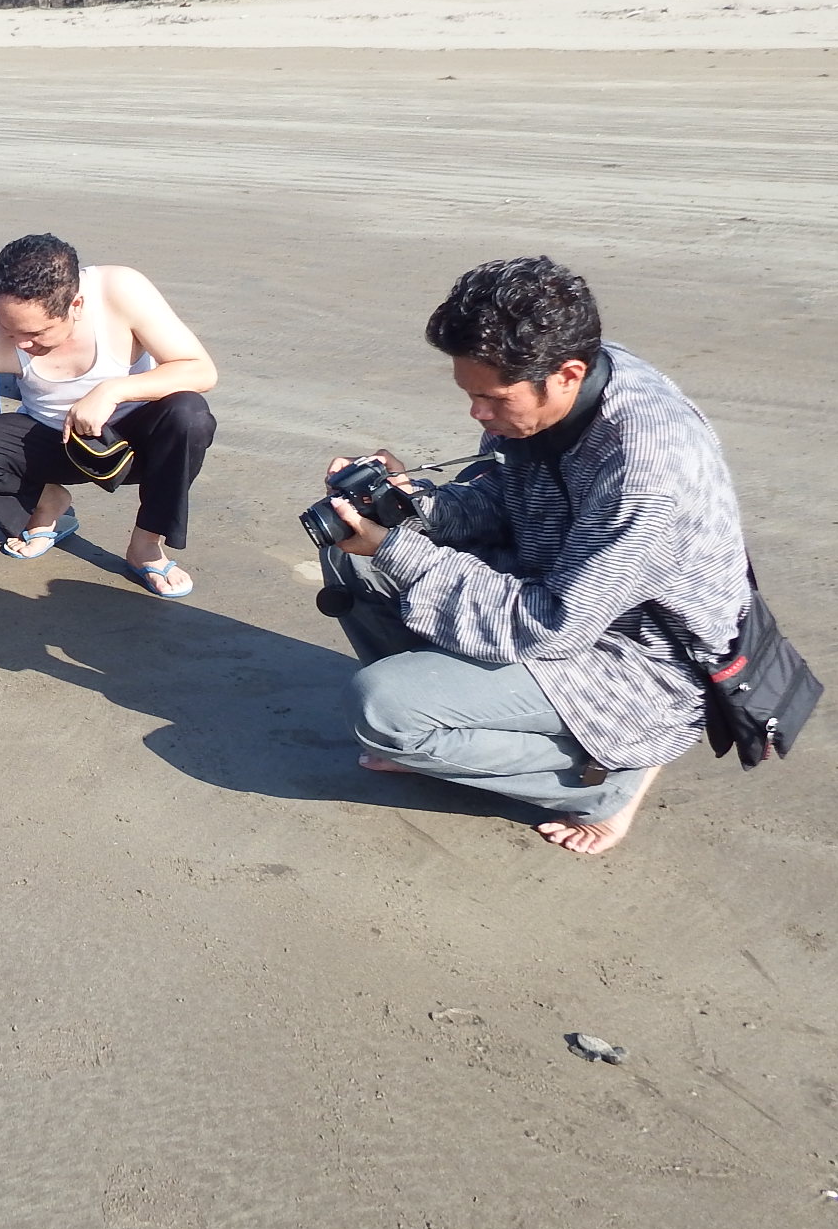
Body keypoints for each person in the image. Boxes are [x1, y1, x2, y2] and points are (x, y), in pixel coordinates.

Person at [316, 256, 752, 856]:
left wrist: (401, 551)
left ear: (568, 374)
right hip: (558, 594)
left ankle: (605, 781)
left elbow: (553, 624)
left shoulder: (647, 470)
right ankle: (453, 737)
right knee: (360, 577)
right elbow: (506, 492)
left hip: (641, 659)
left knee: (383, 709)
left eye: (491, 399)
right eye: (469, 394)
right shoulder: (563, 382)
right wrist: (413, 505)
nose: (479, 414)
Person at [0, 234, 218, 601]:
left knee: (190, 414)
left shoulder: (121, 290)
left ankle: (146, 545)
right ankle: (49, 501)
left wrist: (112, 390)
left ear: (76, 305)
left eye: (35, 333)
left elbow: (201, 371)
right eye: (11, 330)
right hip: (55, 441)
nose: (21, 344)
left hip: (140, 442)